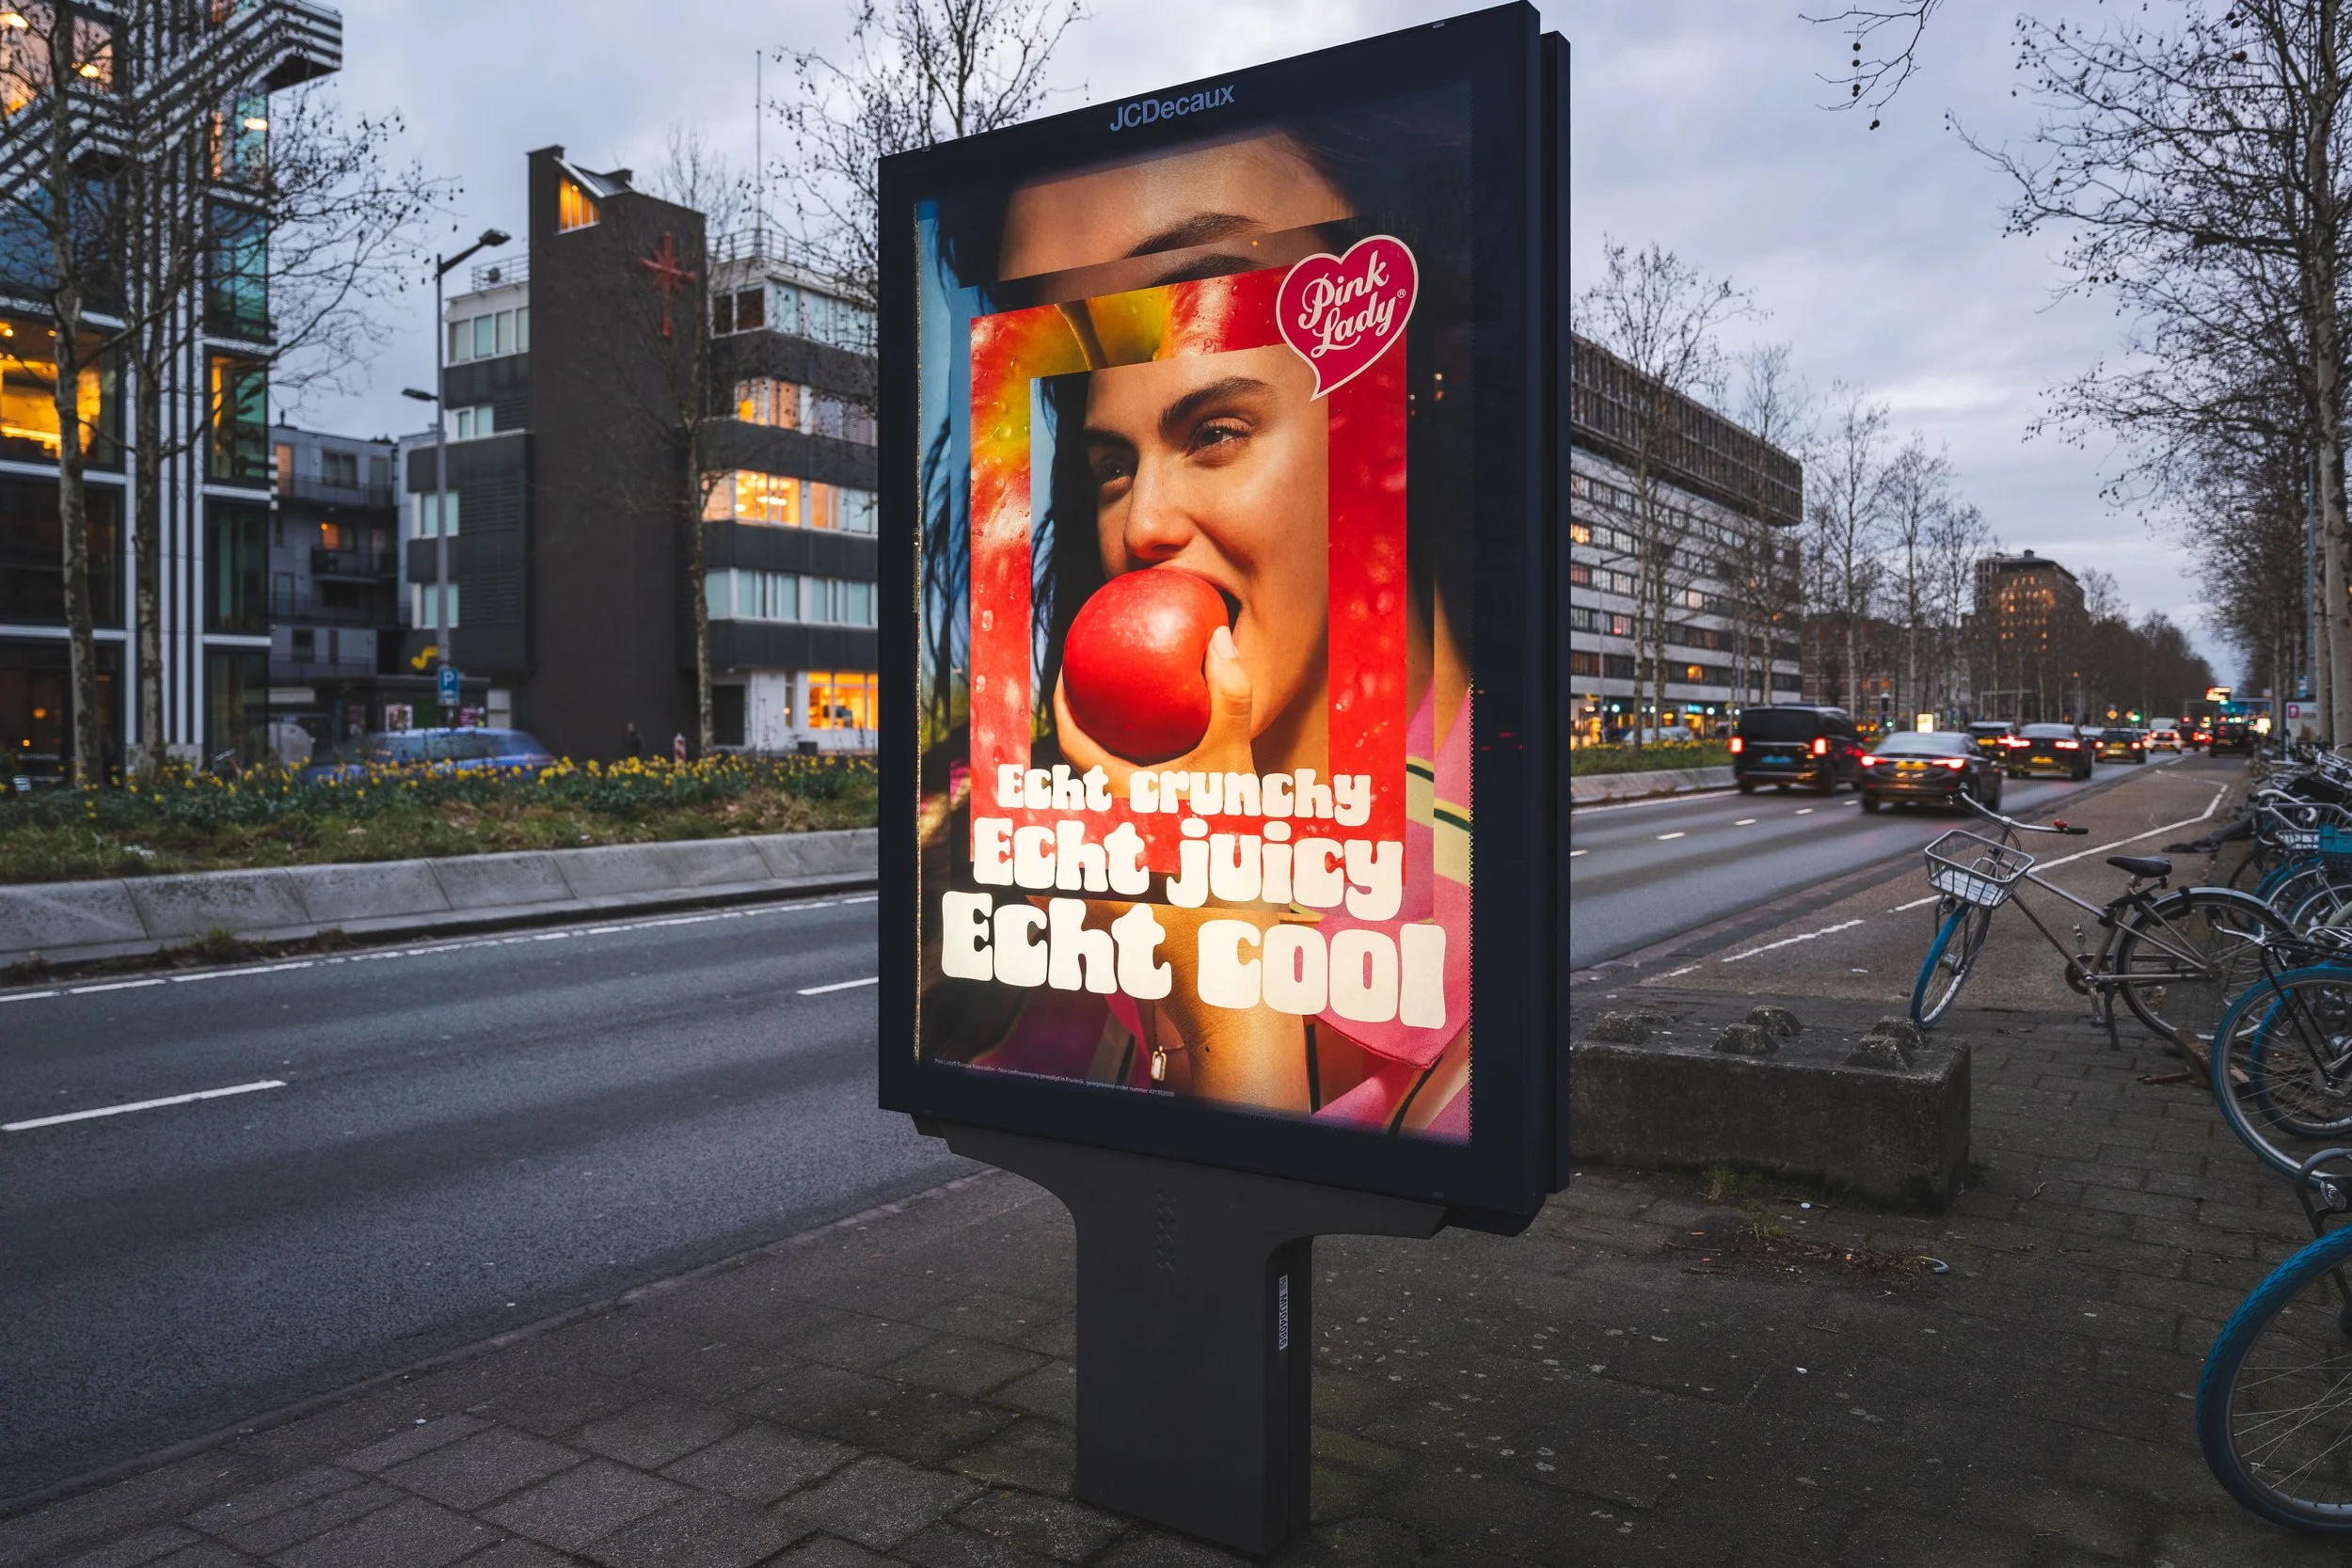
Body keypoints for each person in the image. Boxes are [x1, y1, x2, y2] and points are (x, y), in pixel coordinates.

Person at [922, 97, 1474, 1135]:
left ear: (1405, 349)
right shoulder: (1074, 898)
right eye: (1108, 462)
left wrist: (1235, 1009)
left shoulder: (1479, 936)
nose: (1142, 522)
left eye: (1216, 426)